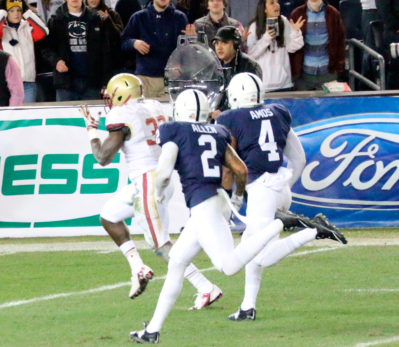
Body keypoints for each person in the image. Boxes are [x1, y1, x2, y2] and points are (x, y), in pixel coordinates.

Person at [127, 88, 313, 343]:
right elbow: (240, 169)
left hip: (204, 207)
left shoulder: (174, 130)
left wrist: (158, 192)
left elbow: (165, 171)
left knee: (228, 266)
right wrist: (236, 197)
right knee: (177, 261)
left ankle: (282, 222)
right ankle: (152, 331)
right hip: (217, 200)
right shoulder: (217, 132)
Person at [83, 75, 222, 307]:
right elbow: (135, 130)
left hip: (148, 183)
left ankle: (206, 287)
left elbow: (102, 157)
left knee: (161, 246)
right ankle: (138, 268)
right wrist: (100, 125)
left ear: (121, 94)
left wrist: (90, 132)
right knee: (109, 216)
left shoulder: (122, 115)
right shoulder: (153, 106)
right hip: (157, 178)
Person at [217, 73, 346, 322]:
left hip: (261, 190)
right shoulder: (277, 112)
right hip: (280, 186)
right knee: (252, 248)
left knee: (257, 256)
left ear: (235, 94)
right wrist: (285, 184)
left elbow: (229, 167)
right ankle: (247, 307)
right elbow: (298, 158)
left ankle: (313, 231)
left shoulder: (231, 118)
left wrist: (232, 197)